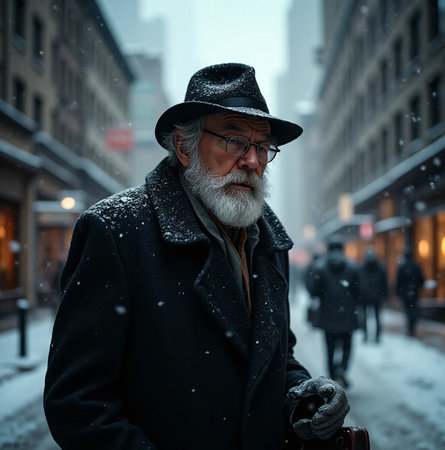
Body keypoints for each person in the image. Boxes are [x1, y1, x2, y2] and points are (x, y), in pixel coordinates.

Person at [43, 63, 350, 450]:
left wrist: (303, 398)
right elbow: (76, 403)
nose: (252, 161)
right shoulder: (117, 230)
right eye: (233, 140)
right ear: (184, 147)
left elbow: (271, 360)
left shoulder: (269, 241)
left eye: (261, 146)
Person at [305, 235, 360, 388]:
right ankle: (342, 367)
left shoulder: (320, 267)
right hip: (348, 315)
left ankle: (331, 378)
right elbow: (360, 291)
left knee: (329, 348)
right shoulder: (353, 267)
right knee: (347, 345)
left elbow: (313, 291)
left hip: (328, 316)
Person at [359, 247, 388, 343]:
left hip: (366, 296)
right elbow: (384, 283)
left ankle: (366, 335)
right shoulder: (380, 267)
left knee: (366, 317)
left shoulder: (362, 267)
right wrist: (384, 294)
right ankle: (377, 336)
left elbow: (359, 282)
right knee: (376, 317)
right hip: (376, 296)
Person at [396, 247, 424, 336]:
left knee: (408, 310)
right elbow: (421, 280)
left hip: (405, 292)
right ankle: (412, 326)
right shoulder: (416, 266)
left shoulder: (402, 267)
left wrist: (398, 291)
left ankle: (410, 327)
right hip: (414, 291)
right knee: (413, 309)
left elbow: (399, 281)